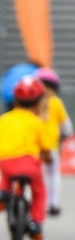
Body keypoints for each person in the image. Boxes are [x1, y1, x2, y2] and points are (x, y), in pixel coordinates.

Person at [0, 76, 53, 240]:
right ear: (38, 104)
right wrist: (48, 158)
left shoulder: (4, 119)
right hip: (29, 164)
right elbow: (46, 148)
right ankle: (36, 224)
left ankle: (3, 194)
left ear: (15, 101)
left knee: (6, 173)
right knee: (39, 191)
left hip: (7, 161)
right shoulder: (38, 123)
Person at [34, 67, 72, 216]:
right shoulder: (56, 102)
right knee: (53, 175)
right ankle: (53, 204)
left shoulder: (33, 103)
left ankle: (36, 203)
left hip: (34, 145)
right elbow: (66, 126)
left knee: (36, 176)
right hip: (51, 146)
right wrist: (66, 135)